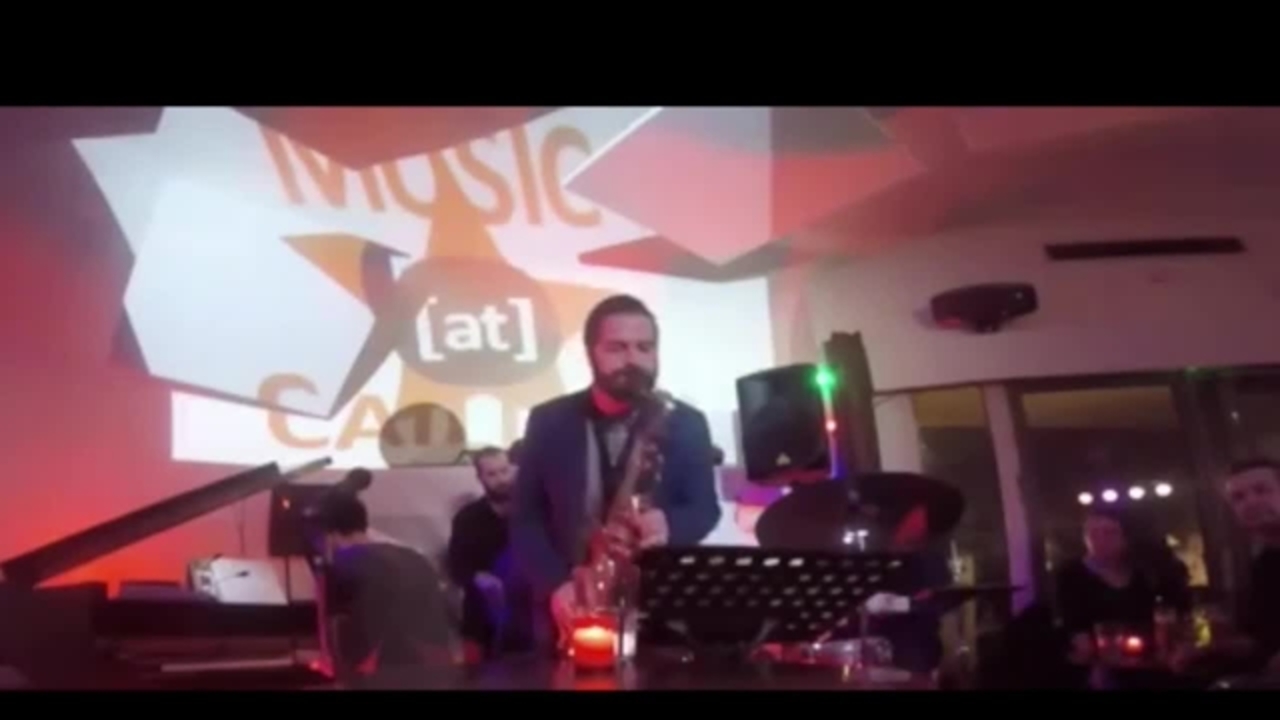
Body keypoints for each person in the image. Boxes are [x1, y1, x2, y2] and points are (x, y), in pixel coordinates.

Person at [511, 294, 721, 650]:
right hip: (567, 605)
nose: (633, 360)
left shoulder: (686, 422)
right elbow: (526, 517)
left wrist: (669, 524)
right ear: (590, 353)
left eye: (644, 347)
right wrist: (555, 584)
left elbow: (704, 509)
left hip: (657, 609)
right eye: (617, 348)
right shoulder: (548, 420)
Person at [315, 490, 459, 688]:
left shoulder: (342, 566)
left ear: (330, 535)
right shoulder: (414, 557)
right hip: (435, 675)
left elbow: (338, 641)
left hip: (380, 677)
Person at [1178, 460, 1280, 677]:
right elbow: (1263, 642)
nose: (1250, 502)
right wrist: (1212, 646)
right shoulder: (1264, 564)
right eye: (1238, 498)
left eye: (1262, 490)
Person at [1055, 507, 1191, 658]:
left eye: (1109, 533)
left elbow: (1174, 610)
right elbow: (1075, 628)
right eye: (1092, 533)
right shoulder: (1072, 574)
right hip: (1102, 660)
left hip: (1152, 656)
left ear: (1126, 536)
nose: (1100, 540)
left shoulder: (1143, 570)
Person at [446, 446, 530, 658]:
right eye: (492, 474)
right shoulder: (467, 519)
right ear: (480, 478)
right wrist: (477, 577)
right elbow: (456, 566)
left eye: (504, 471)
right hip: (481, 620)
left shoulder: (532, 514)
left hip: (528, 617)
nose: (501, 480)